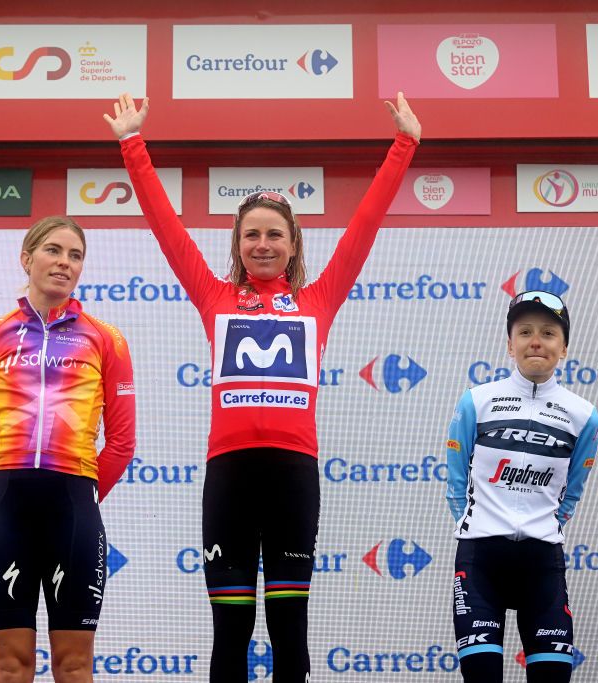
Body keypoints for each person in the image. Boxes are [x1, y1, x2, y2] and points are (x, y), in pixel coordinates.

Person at [104, 92, 420, 682]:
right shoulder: (215, 297)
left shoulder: (318, 300)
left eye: (275, 234)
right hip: (230, 478)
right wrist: (132, 143)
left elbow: (364, 225)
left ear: (294, 244)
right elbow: (167, 229)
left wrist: (404, 144)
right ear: (238, 244)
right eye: (252, 235)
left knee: (289, 633)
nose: (263, 244)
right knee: (230, 633)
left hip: (292, 479)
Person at [0, 216, 136, 683]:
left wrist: (83, 491)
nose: (65, 263)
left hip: (72, 508)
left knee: (73, 666)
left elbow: (121, 442)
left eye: (76, 256)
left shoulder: (105, 339)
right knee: (12, 667)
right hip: (6, 507)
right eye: (54, 251)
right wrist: (0, 495)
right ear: (27, 258)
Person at [445, 291, 598, 683]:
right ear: (509, 343)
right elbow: (455, 476)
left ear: (564, 348)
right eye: (525, 331)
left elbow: (574, 489)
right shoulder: (477, 401)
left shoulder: (584, 415)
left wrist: (550, 526)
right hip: (481, 560)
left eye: (549, 333)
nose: (536, 341)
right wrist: (472, 520)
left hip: (541, 564)